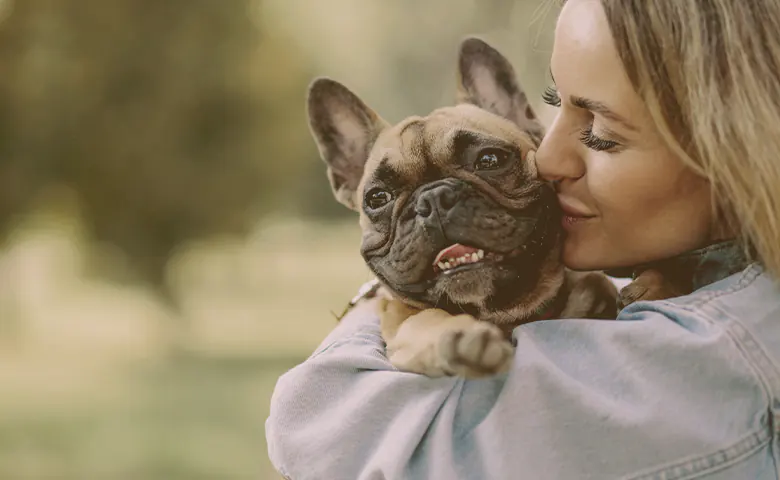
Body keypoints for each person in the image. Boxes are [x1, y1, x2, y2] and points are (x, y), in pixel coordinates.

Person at [266, 0, 780, 478]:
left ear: (728, 143)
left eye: (602, 130)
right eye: (557, 105)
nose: (547, 158)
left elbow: (319, 432)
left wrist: (378, 311)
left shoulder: (712, 357)